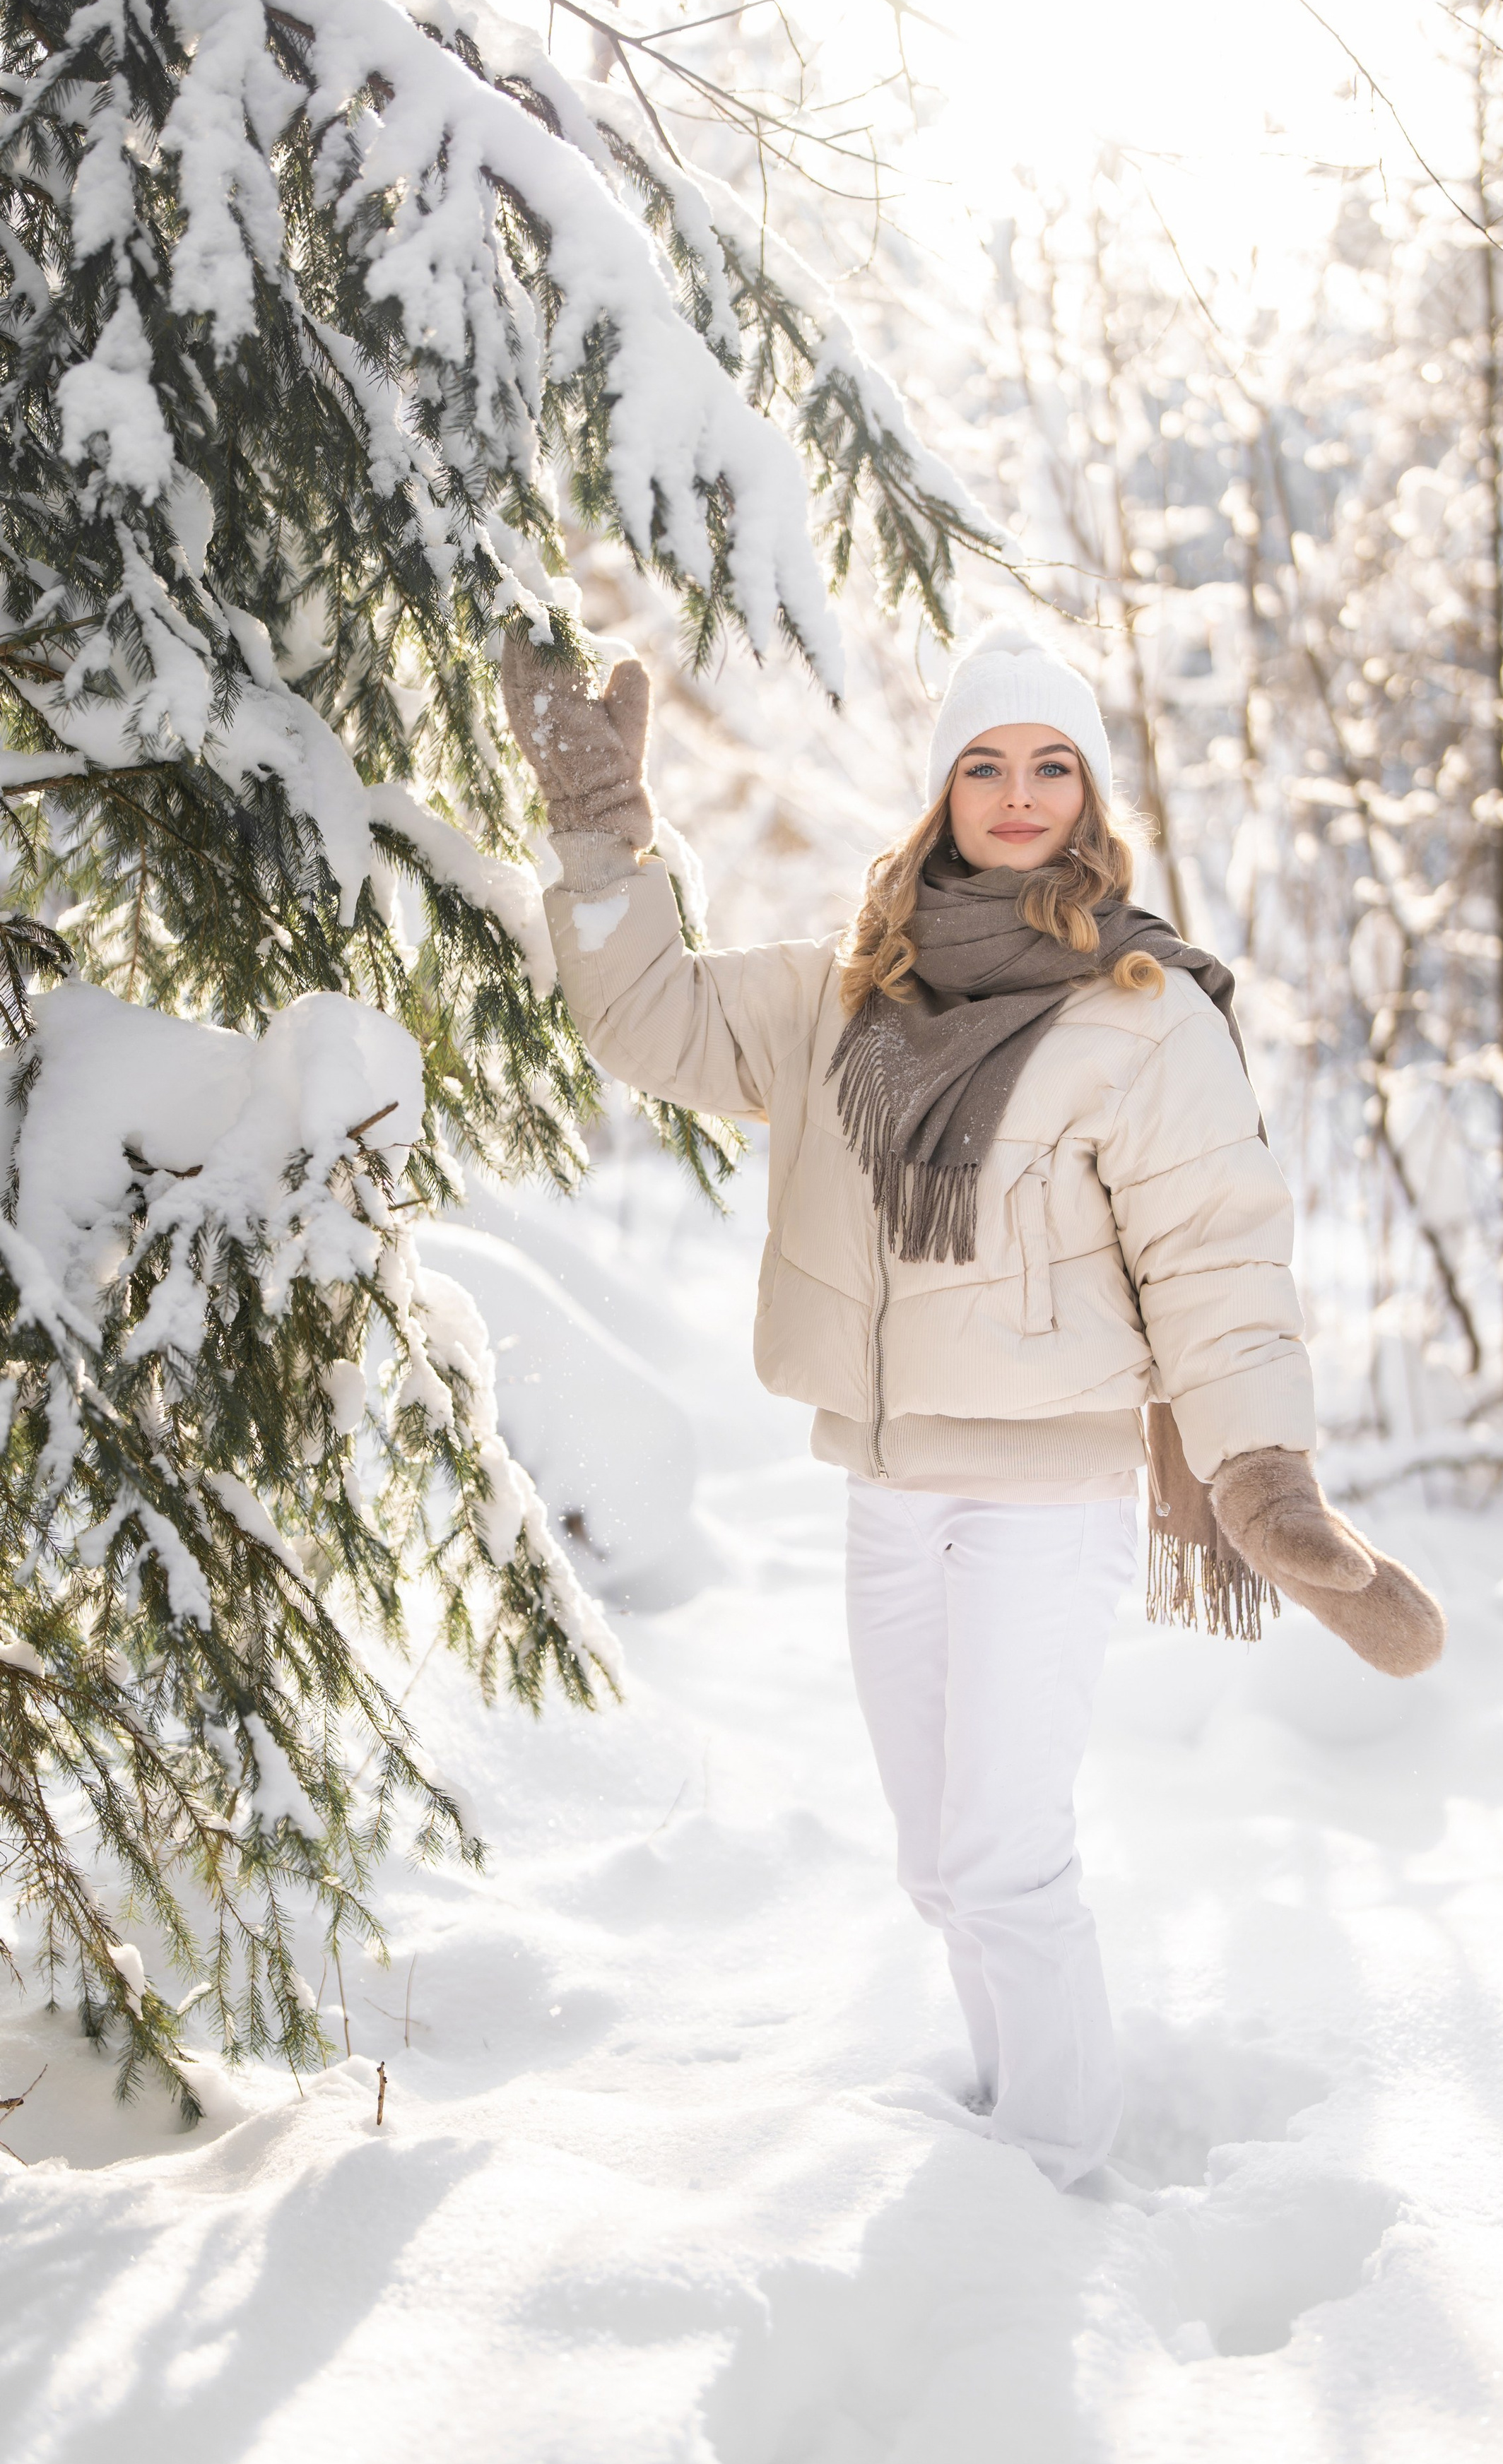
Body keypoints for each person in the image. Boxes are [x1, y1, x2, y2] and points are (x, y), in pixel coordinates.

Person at [502, 618, 1442, 2191]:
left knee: (1007, 1861)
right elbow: (646, 1018)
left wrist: (1257, 1467)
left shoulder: (1141, 1014)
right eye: (986, 764)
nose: (1018, 794)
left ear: (1087, 794)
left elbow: (1214, 1254)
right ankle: (1018, 2136)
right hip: (889, 1487)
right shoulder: (843, 1000)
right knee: (941, 1867)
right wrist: (605, 839)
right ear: (942, 791)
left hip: (1045, 1497)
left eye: (1049, 764)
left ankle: (1056, 2180)